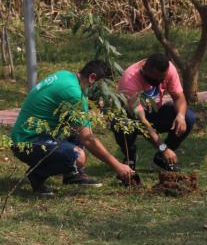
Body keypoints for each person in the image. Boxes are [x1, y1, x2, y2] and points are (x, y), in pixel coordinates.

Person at [11, 60, 135, 195]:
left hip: (26, 136)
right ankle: (37, 174)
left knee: (79, 125)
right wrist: (117, 166)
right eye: (104, 87)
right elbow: (88, 139)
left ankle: (72, 175)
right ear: (92, 78)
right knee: (78, 157)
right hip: (28, 143)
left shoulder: (65, 75)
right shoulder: (73, 93)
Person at [113, 53, 196, 171]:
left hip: (156, 112)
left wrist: (181, 116)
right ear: (145, 69)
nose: (159, 81)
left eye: (162, 78)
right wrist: (163, 148)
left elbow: (178, 97)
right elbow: (142, 122)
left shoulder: (169, 69)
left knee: (189, 117)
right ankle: (130, 157)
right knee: (120, 124)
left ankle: (161, 160)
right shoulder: (129, 80)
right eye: (155, 78)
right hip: (134, 119)